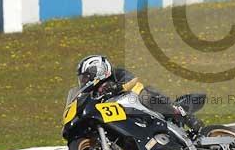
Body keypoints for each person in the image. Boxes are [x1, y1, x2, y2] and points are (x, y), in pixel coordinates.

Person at [76, 55, 204, 132]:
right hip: (126, 112)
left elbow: (133, 80)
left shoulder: (117, 73)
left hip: (138, 99)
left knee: (146, 96)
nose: (85, 81)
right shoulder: (94, 92)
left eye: (87, 77)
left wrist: (117, 87)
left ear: (98, 70)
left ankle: (183, 115)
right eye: (83, 79)